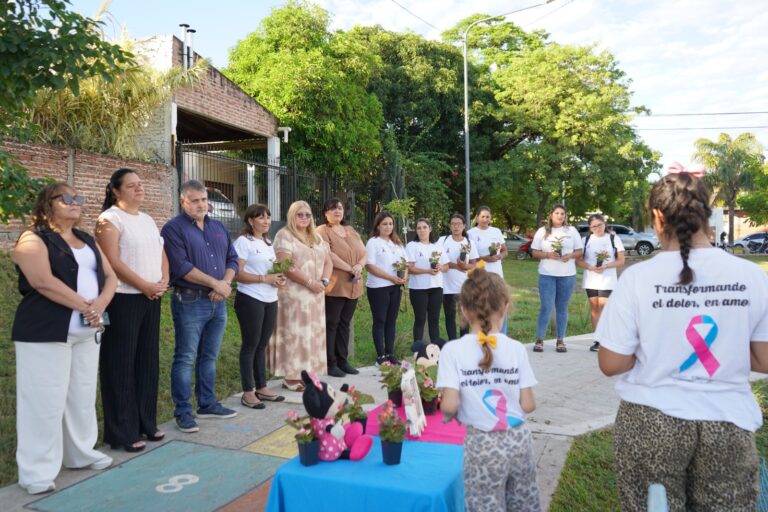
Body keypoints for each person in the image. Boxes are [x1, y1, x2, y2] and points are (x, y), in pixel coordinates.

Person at [597, 172, 768, 511]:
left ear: (658, 217)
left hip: (650, 421)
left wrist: (658, 348)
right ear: (706, 213)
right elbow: (764, 360)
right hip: (728, 422)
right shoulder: (751, 276)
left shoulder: (637, 278)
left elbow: (611, 362)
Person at [12, 182, 118, 494]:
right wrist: (86, 307)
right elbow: (42, 281)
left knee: (81, 398)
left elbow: (111, 277)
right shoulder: (32, 238)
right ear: (48, 204)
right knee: (43, 402)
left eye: (78, 197)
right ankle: (36, 473)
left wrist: (100, 305)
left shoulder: (86, 239)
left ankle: (80, 454)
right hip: (45, 332)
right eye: (66, 198)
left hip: (87, 331)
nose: (75, 202)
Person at [437, 262, 539, 512]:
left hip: (481, 444)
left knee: (485, 506)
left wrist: (453, 412)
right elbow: (528, 404)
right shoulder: (516, 348)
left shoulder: (452, 350)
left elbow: (449, 405)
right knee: (523, 504)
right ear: (505, 307)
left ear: (463, 309)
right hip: (519, 442)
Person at [95, 169, 168, 453]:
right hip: (124, 298)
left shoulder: (147, 219)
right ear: (115, 191)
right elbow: (112, 261)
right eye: (131, 185)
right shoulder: (110, 219)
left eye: (140, 184)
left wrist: (163, 280)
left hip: (151, 298)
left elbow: (161, 253)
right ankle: (122, 431)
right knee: (121, 365)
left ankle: (146, 422)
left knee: (147, 363)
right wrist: (144, 285)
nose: (139, 189)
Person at [161, 180, 240, 433]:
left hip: (218, 302)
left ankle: (207, 403)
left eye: (204, 200)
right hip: (190, 301)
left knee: (209, 356)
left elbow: (233, 259)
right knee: (186, 357)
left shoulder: (218, 227)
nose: (201, 205)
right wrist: (216, 284)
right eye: (195, 200)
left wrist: (224, 284)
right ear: (183, 201)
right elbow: (181, 266)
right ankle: (183, 411)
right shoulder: (173, 229)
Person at [270, 201, 332, 391]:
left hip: (316, 294)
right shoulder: (284, 235)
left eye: (307, 214)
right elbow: (285, 265)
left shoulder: (316, 237)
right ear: (292, 216)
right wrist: (309, 282)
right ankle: (291, 377)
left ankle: (308, 374)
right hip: (294, 295)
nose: (304, 218)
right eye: (300, 214)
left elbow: (328, 261)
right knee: (295, 334)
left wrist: (324, 281)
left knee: (312, 335)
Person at [233, 204, 286, 410]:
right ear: (250, 220)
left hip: (270, 298)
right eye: (261, 217)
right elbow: (237, 273)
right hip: (250, 298)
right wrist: (265, 279)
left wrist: (277, 278)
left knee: (262, 345)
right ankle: (248, 392)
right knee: (250, 345)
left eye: (268, 217)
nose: (266, 221)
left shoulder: (267, 242)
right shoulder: (243, 242)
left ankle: (262, 387)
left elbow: (269, 270)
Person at [316, 198, 366, 377]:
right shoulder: (322, 231)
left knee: (345, 323)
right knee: (332, 323)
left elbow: (364, 252)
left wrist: (359, 266)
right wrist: (349, 268)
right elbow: (327, 254)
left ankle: (343, 361)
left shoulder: (350, 230)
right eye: (332, 209)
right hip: (335, 285)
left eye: (339, 208)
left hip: (353, 284)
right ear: (325, 213)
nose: (337, 211)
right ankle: (330, 363)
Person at [530, 204, 583, 353]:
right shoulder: (542, 231)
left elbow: (579, 251)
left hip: (567, 276)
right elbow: (534, 252)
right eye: (557, 213)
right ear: (551, 215)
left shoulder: (571, 231)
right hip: (547, 275)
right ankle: (540, 339)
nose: (560, 216)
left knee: (562, 308)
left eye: (562, 214)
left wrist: (570, 255)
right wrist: (547, 255)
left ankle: (560, 340)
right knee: (546, 307)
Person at [575, 213, 625, 352]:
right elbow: (579, 260)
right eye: (594, 226)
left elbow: (621, 260)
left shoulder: (613, 238)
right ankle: (597, 340)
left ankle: (607, 339)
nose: (597, 228)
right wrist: (590, 267)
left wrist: (606, 266)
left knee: (604, 307)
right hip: (591, 279)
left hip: (607, 279)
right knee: (595, 308)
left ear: (605, 224)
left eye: (600, 225)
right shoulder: (585, 240)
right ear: (590, 227)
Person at [365, 212, 407, 366]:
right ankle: (381, 356)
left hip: (395, 286)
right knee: (380, 320)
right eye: (384, 224)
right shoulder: (373, 242)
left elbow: (405, 263)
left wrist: (404, 277)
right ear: (378, 226)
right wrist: (390, 278)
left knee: (391, 321)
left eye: (390, 224)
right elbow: (369, 266)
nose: (388, 227)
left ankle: (390, 353)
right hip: (378, 287)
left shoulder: (397, 243)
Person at [406, 218, 449, 344]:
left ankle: (435, 349)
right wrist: (427, 271)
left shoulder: (437, 246)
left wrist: (441, 268)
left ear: (430, 229)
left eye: (424, 227)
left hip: (436, 288)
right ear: (416, 231)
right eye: (419, 228)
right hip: (418, 288)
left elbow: (446, 266)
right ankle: (417, 350)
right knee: (420, 319)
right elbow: (410, 269)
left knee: (434, 320)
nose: (422, 230)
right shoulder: (412, 246)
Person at [467, 206, 509, 333]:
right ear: (477, 218)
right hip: (480, 275)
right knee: (482, 307)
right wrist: (484, 258)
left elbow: (505, 250)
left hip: (497, 275)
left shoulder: (496, 231)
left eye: (487, 217)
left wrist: (500, 256)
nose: (485, 219)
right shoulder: (471, 233)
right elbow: (469, 256)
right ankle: (482, 335)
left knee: (500, 305)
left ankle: (501, 335)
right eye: (482, 217)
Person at [438, 213, 479, 340]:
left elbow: (474, 264)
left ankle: (464, 342)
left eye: (459, 224)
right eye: (453, 224)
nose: (456, 226)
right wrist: (457, 266)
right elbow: (438, 261)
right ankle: (452, 343)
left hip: (465, 286)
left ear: (464, 226)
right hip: (447, 286)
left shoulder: (469, 243)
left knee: (464, 317)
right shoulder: (442, 241)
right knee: (449, 316)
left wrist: (465, 266)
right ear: (450, 226)